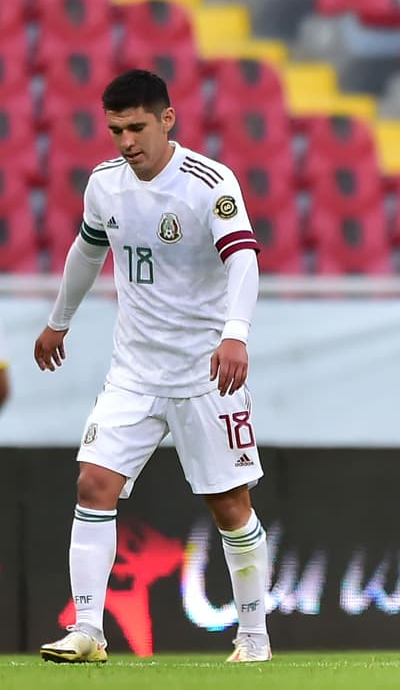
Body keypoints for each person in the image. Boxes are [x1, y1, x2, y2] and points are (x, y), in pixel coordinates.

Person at [33, 70, 271, 664]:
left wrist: (234, 335)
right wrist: (59, 319)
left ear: (167, 120)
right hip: (133, 373)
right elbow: (87, 251)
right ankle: (88, 629)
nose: (125, 141)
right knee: (93, 481)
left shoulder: (209, 184)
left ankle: (253, 636)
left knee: (230, 506)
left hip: (205, 375)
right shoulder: (104, 186)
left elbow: (243, 261)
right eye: (115, 129)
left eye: (136, 127)